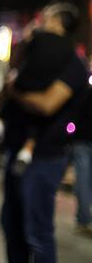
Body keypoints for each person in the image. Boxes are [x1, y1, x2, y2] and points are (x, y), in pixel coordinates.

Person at [0, 2, 90, 263]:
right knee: (11, 225)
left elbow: (48, 103)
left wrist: (15, 91)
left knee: (37, 231)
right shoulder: (32, 54)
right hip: (17, 149)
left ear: (58, 24)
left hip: (46, 156)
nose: (40, 24)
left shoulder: (74, 65)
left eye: (46, 19)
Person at [72, 73, 92, 237]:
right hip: (82, 141)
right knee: (86, 181)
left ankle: (84, 219)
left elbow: (75, 116)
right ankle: (83, 218)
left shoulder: (85, 92)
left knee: (83, 180)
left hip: (82, 140)